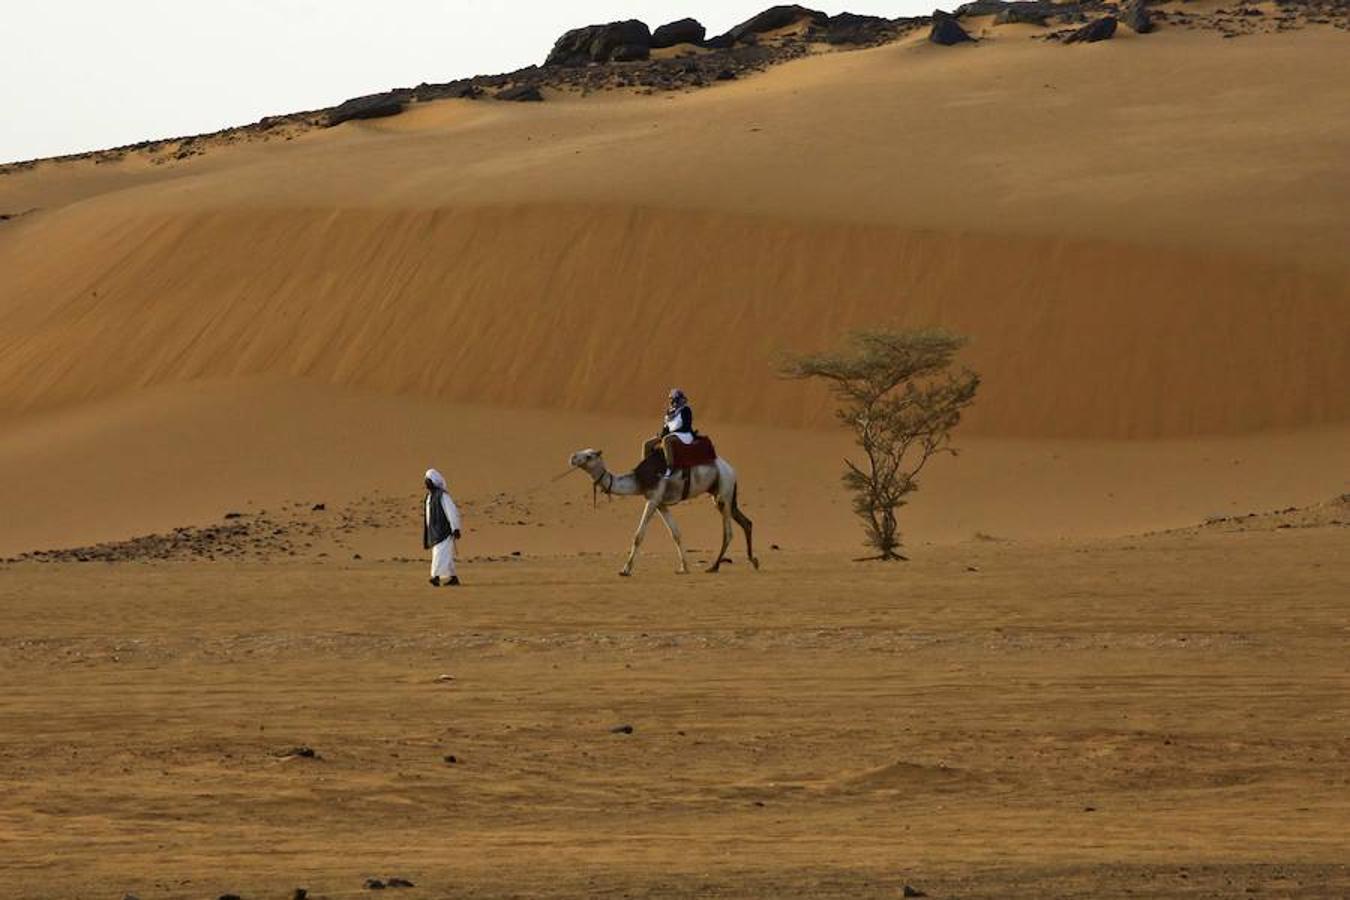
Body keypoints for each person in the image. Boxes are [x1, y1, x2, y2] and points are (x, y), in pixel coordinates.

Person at [642, 388, 695, 478]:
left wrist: (669, 434)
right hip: (671, 434)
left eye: (673, 399)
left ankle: (670, 469)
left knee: (666, 440)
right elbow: (666, 427)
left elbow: (686, 426)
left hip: (684, 435)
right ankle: (647, 468)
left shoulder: (686, 410)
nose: (671, 401)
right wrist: (661, 435)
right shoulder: (670, 412)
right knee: (647, 444)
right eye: (670, 399)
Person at [423, 468, 462, 587]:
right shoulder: (429, 497)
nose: (426, 483)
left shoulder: (443, 496)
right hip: (434, 531)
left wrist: (455, 528)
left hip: (444, 530)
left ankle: (435, 577)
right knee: (445, 555)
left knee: (439, 554)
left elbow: (452, 512)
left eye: (428, 480)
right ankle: (453, 577)